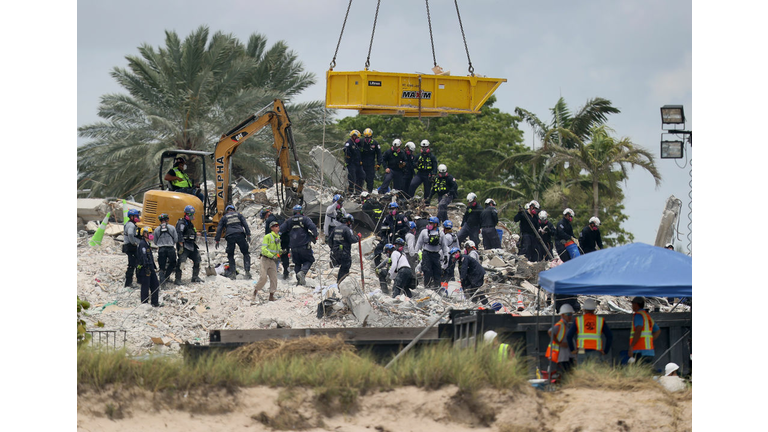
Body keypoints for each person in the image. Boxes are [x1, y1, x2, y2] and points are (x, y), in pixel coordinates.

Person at [280, 205, 318, 286]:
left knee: (297, 263)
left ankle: (299, 282)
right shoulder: (305, 219)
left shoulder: (289, 220)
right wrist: (315, 235)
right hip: (304, 245)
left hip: (293, 247)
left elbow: (281, 229)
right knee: (309, 260)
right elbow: (313, 227)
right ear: (301, 211)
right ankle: (302, 273)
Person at [567, 298, 613, 364]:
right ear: (594, 309)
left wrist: (572, 350)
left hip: (581, 350)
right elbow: (609, 336)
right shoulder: (600, 320)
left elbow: (569, 336)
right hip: (596, 351)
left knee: (582, 372)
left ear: (584, 309)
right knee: (594, 372)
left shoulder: (579, 320)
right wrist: (606, 351)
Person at [215, 204, 252, 279]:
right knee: (245, 253)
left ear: (226, 211)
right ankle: (247, 272)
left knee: (230, 254)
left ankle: (233, 273)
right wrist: (248, 235)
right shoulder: (239, 215)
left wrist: (217, 240)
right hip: (240, 235)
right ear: (234, 210)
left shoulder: (224, 217)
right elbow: (245, 224)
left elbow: (219, 228)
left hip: (230, 236)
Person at [415, 216, 447, 289]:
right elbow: (419, 243)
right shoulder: (424, 232)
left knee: (437, 271)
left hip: (436, 254)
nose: (429, 224)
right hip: (426, 254)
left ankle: (437, 287)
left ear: (435, 224)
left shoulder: (441, 234)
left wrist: (445, 255)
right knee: (427, 271)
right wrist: (415, 253)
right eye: (429, 223)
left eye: (431, 223)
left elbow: (444, 246)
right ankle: (427, 287)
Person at [175, 205, 204, 284]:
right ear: (185, 214)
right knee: (182, 262)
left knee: (198, 260)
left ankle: (195, 277)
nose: (191, 216)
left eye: (192, 214)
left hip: (191, 244)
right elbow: (179, 234)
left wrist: (200, 233)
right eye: (189, 214)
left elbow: (193, 232)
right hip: (184, 245)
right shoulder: (181, 223)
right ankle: (178, 279)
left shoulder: (190, 224)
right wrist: (181, 245)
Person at [253, 221, 282, 302]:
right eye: (275, 226)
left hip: (273, 261)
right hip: (265, 260)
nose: (277, 227)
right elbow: (264, 250)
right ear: (272, 228)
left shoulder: (278, 237)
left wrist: (280, 253)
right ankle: (255, 291)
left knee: (274, 278)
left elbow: (277, 250)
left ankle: (271, 296)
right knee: (263, 277)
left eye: (278, 225)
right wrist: (271, 255)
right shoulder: (268, 237)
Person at [628, 296, 660, 364]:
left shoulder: (638, 315)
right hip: (649, 351)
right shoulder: (647, 317)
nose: (632, 306)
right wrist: (649, 340)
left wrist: (631, 346)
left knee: (639, 373)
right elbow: (657, 331)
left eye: (632, 304)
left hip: (640, 351)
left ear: (636, 304)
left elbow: (638, 330)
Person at [260, 207, 291, 280]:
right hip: (286, 238)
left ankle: (272, 272)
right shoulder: (281, 217)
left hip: (276, 240)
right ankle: (286, 272)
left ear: (266, 214)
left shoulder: (269, 220)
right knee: (285, 255)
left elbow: (267, 233)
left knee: (274, 255)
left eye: (264, 217)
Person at [331, 214, 361, 284]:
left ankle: (339, 283)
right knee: (345, 268)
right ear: (349, 222)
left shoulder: (336, 228)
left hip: (336, 252)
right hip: (344, 252)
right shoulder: (347, 229)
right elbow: (352, 239)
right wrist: (358, 237)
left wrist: (333, 249)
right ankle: (341, 284)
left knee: (342, 268)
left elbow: (330, 240)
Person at [546, 304, 576, 373]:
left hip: (567, 355)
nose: (570, 316)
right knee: (565, 374)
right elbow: (550, 331)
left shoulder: (566, 325)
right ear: (562, 315)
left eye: (571, 314)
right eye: (568, 314)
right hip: (562, 356)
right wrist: (559, 343)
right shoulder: (560, 324)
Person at [136, 227, 161, 307]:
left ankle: (155, 302)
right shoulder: (142, 244)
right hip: (145, 268)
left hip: (150, 267)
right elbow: (143, 257)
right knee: (145, 285)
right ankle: (144, 303)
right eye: (149, 233)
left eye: (151, 233)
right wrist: (146, 267)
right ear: (144, 234)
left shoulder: (147, 244)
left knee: (155, 284)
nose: (150, 235)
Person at [153, 213, 178, 286]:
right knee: (173, 263)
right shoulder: (172, 228)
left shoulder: (157, 229)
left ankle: (162, 281)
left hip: (161, 249)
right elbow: (176, 239)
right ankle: (167, 277)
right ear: (167, 220)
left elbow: (155, 241)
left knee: (162, 266)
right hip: (170, 248)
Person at [359, 128, 383, 194]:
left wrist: (379, 164)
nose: (367, 139)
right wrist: (358, 160)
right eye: (366, 137)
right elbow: (356, 151)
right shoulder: (360, 142)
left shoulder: (375, 143)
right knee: (360, 178)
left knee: (370, 179)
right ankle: (359, 192)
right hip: (361, 164)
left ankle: (369, 192)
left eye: (368, 137)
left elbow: (379, 154)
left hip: (371, 165)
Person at [122, 208, 141, 287]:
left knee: (136, 263)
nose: (137, 217)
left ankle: (136, 280)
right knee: (132, 264)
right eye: (136, 216)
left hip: (129, 246)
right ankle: (128, 282)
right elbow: (130, 234)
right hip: (130, 247)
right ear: (131, 216)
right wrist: (134, 243)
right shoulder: (131, 225)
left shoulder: (129, 224)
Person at [344, 130, 366, 195]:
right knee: (352, 178)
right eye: (356, 137)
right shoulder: (349, 143)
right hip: (351, 163)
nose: (357, 138)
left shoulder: (356, 144)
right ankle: (350, 192)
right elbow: (345, 149)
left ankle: (358, 190)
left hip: (358, 164)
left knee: (362, 175)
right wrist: (348, 158)